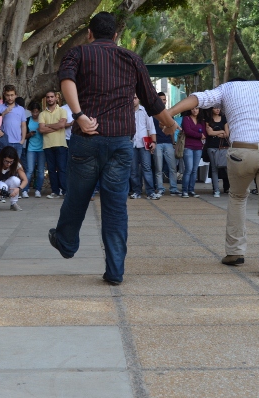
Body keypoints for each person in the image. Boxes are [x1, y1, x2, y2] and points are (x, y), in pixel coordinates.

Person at [50, 12, 179, 286]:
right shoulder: (132, 58)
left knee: (77, 196)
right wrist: (169, 124)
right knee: (115, 206)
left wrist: (79, 115)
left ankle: (66, 242)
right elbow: (151, 99)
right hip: (121, 143)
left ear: (89, 33)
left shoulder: (78, 54)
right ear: (116, 35)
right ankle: (115, 271)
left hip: (86, 138)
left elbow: (66, 80)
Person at [168, 78, 259, 276]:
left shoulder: (227, 88)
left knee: (237, 197)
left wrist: (169, 114)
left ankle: (235, 252)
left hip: (241, 152)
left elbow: (198, 98)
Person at [39, 90, 68, 199]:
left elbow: (61, 125)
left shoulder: (62, 110)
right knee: (51, 169)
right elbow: (41, 129)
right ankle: (55, 191)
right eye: (48, 97)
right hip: (48, 145)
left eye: (52, 97)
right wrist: (55, 126)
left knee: (62, 168)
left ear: (56, 98)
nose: (50, 99)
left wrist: (47, 125)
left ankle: (65, 191)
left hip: (60, 144)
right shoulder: (42, 113)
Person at [130, 94, 159, 199]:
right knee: (133, 170)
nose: (133, 100)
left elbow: (151, 128)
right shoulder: (127, 111)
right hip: (131, 143)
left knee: (146, 168)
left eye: (135, 98)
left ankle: (150, 192)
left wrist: (154, 142)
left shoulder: (145, 111)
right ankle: (136, 191)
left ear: (139, 99)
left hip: (144, 144)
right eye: (131, 98)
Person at [153, 91, 180, 196]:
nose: (162, 101)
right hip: (157, 143)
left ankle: (173, 188)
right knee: (158, 168)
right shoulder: (152, 115)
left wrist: (173, 143)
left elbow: (172, 129)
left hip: (168, 143)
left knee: (172, 167)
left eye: (164, 99)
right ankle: (160, 188)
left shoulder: (170, 114)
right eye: (160, 99)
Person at [0, 146, 28, 211]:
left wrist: (19, 189)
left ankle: (13, 203)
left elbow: (25, 180)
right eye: (6, 161)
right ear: (2, 158)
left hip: (6, 182)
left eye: (11, 162)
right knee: (3, 186)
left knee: (16, 180)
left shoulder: (16, 164)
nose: (8, 164)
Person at [180, 107, 206, 198]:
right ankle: (184, 190)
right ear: (190, 110)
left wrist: (200, 135)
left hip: (198, 147)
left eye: (197, 109)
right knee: (189, 169)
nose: (195, 111)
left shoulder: (201, 121)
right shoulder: (186, 119)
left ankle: (191, 190)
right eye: (193, 109)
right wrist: (199, 135)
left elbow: (205, 133)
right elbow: (188, 131)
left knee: (194, 170)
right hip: (188, 146)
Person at [0, 85, 27, 159]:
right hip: (4, 142)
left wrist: (22, 140)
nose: (10, 98)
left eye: (12, 95)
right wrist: (3, 113)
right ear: (4, 95)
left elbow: (23, 125)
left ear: (16, 95)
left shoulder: (21, 109)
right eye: (8, 95)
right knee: (4, 166)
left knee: (15, 166)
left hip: (18, 142)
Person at [205, 107, 230, 197]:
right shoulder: (208, 119)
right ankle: (216, 190)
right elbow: (209, 133)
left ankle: (229, 188)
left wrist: (215, 132)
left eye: (219, 108)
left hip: (223, 147)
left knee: (227, 167)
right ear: (212, 109)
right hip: (212, 146)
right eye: (215, 108)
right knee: (214, 168)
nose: (217, 109)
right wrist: (221, 132)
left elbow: (227, 134)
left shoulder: (224, 119)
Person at [24, 101, 45, 198]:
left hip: (42, 148)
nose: (35, 114)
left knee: (41, 170)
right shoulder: (28, 120)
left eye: (37, 112)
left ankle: (38, 189)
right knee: (29, 170)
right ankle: (25, 189)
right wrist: (30, 134)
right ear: (31, 112)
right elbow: (23, 136)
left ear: (39, 112)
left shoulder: (43, 120)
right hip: (31, 148)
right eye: (33, 112)